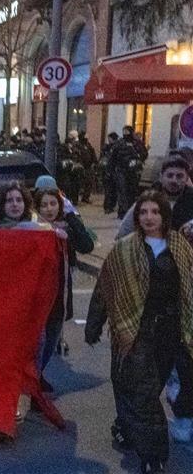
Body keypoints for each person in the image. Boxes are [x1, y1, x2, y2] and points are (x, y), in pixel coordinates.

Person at [86, 191, 193, 474]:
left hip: (169, 331)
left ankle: (125, 425)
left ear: (164, 216)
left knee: (148, 390)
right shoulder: (124, 249)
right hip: (135, 329)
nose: (149, 217)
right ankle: (153, 456)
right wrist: (94, 324)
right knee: (143, 394)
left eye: (155, 212)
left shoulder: (180, 246)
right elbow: (105, 287)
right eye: (143, 212)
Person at [34, 187, 94, 382]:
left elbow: (87, 245)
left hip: (59, 295)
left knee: (52, 339)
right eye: (44, 205)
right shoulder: (32, 229)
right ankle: (34, 380)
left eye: (53, 204)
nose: (49, 209)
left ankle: (37, 376)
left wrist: (71, 216)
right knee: (39, 340)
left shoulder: (66, 227)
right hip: (37, 296)